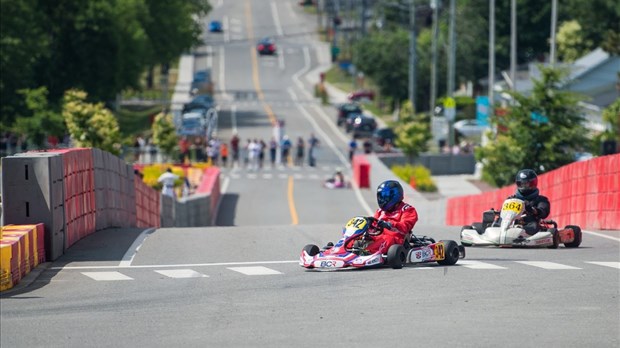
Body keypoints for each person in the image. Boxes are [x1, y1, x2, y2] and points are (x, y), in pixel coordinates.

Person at [365, 180, 419, 254]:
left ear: (395, 196)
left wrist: (389, 225)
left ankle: (368, 252)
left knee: (388, 239)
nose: (382, 199)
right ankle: (346, 251)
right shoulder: (380, 211)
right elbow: (374, 226)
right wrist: (369, 224)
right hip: (379, 236)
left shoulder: (407, 210)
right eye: (381, 196)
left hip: (396, 239)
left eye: (385, 196)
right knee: (360, 236)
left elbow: (405, 227)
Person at [507, 169, 550, 235]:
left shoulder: (541, 200)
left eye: (526, 184)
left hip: (529, 224)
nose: (524, 186)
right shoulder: (511, 199)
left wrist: (533, 210)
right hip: (510, 223)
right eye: (521, 184)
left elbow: (543, 212)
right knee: (496, 222)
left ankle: (521, 236)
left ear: (533, 183)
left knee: (533, 226)